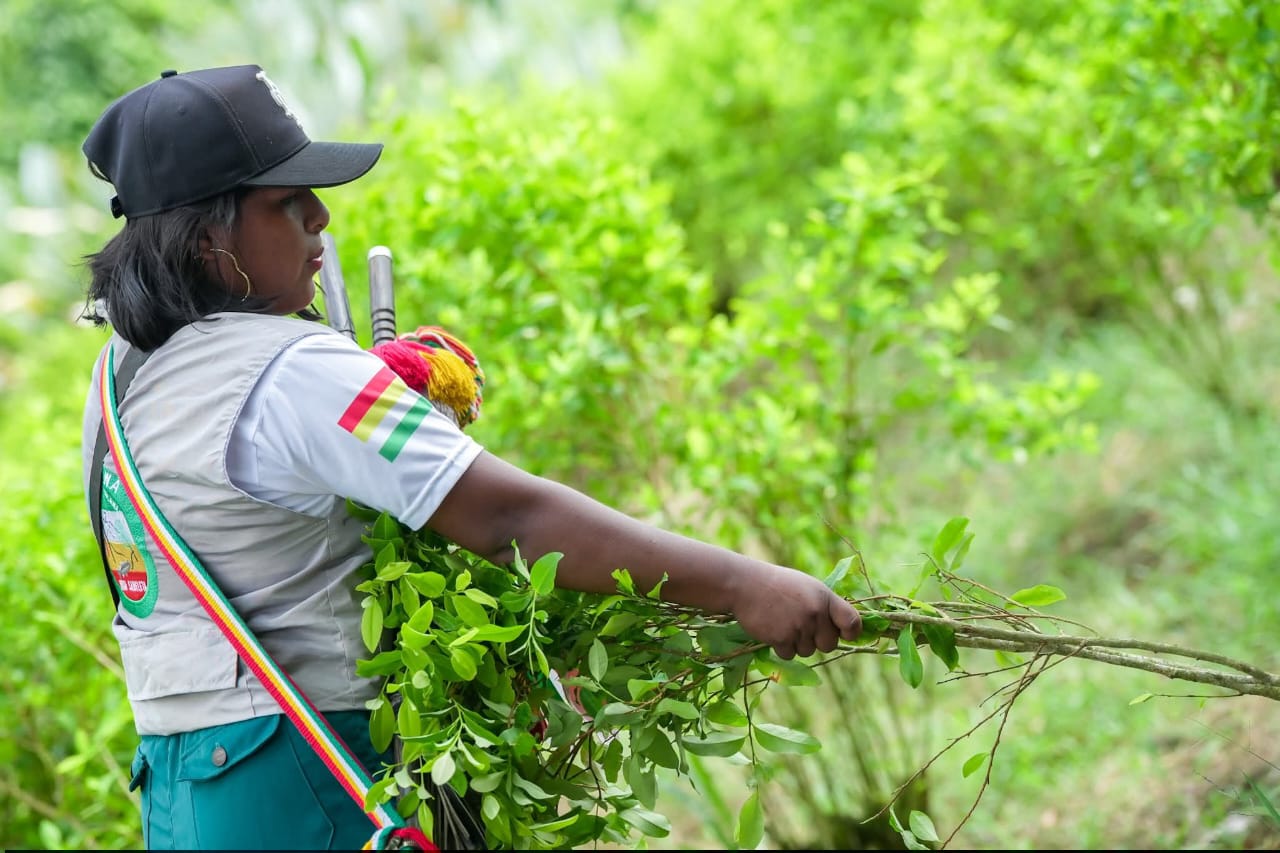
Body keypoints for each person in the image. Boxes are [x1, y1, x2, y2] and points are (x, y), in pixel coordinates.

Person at [79, 64, 862, 851]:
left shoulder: (119, 372)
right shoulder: (293, 371)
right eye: (286, 201)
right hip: (304, 778)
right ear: (210, 236)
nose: (320, 217)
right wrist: (743, 582)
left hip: (185, 787)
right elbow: (507, 516)